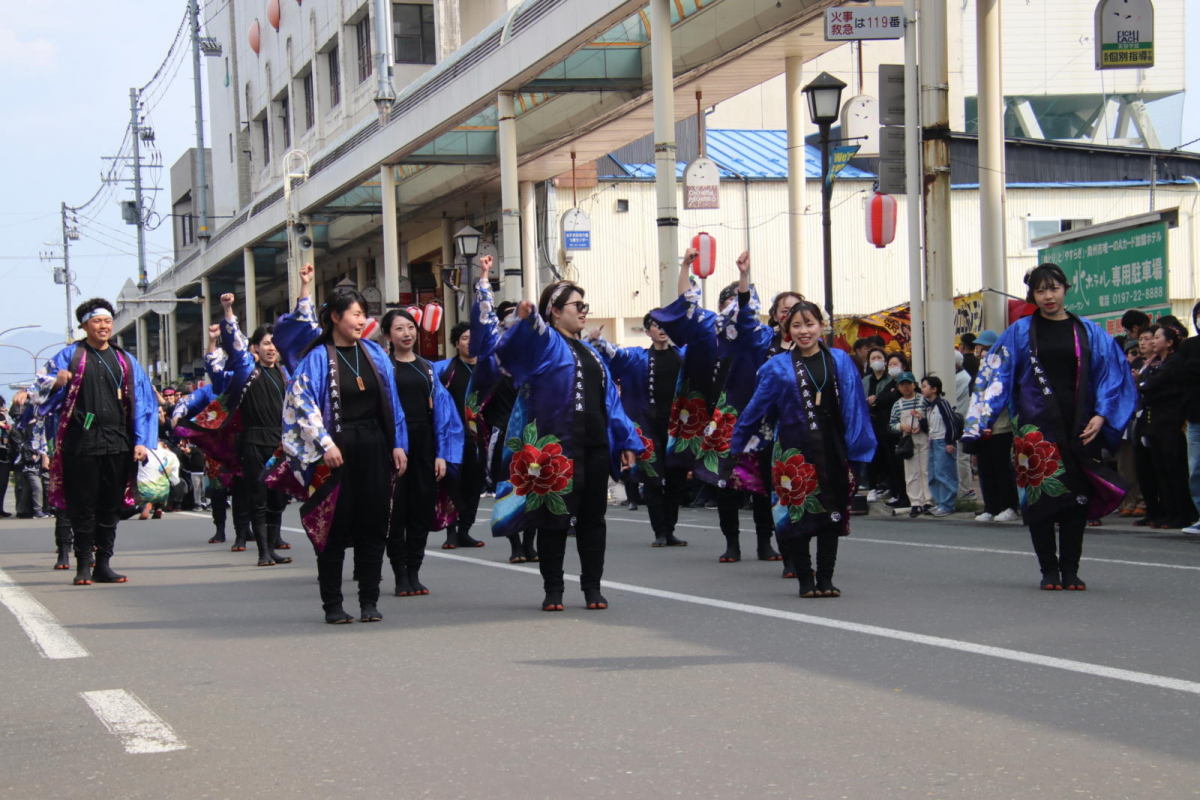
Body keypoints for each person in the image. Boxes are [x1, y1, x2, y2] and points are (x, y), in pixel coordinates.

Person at [963, 264, 1135, 591]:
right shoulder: (1018, 332)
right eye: (1041, 290)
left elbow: (1113, 375)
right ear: (1033, 294)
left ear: (1065, 289)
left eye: (1054, 288)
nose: (1048, 296)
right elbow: (992, 377)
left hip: (1081, 427)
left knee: (1076, 501)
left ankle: (1070, 569)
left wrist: (1102, 415)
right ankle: (1048, 570)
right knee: (1039, 501)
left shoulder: (1090, 331)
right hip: (1034, 431)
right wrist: (978, 423)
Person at [492, 280, 641, 612]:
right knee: (553, 518)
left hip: (596, 444)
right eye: (578, 306)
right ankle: (553, 590)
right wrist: (526, 318)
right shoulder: (546, 344)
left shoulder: (592, 353)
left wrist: (627, 440)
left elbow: (611, 402)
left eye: (585, 306)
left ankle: (592, 588)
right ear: (556, 312)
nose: (584, 312)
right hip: (556, 449)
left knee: (593, 518)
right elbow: (514, 347)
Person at [269, 275, 408, 623]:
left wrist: (398, 445)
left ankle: (369, 601)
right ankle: (332, 604)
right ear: (335, 317)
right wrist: (325, 443)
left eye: (364, 315)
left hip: (374, 445)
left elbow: (393, 404)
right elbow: (300, 402)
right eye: (355, 314)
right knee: (333, 526)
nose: (361, 321)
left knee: (374, 524)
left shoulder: (375, 353)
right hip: (335, 452)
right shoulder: (317, 358)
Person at [728, 301, 875, 597]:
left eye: (809, 324)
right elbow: (755, 410)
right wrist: (734, 448)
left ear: (821, 326)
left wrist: (858, 452)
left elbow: (856, 407)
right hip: (791, 453)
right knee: (794, 516)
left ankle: (826, 579)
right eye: (796, 325)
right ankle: (805, 579)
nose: (804, 331)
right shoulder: (776, 366)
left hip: (833, 449)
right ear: (787, 330)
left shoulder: (841, 360)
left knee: (831, 514)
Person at [651, 250, 785, 567]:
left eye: (741, 304)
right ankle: (732, 542)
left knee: (762, 484)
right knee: (724, 482)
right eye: (729, 304)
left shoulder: (761, 335)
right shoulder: (708, 326)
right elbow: (688, 302)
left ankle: (766, 542)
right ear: (721, 306)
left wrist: (744, 280)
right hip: (720, 417)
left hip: (756, 419)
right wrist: (683, 265)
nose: (733, 311)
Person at [30, 298, 156, 586]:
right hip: (80, 440)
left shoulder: (125, 359)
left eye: (108, 321)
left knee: (110, 505)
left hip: (117, 441)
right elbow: (38, 389)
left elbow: (144, 402)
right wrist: (56, 383)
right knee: (83, 504)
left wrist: (142, 441)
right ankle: (83, 564)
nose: (104, 326)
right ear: (85, 325)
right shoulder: (70, 356)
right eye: (97, 321)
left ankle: (104, 564)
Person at [381, 307, 463, 597]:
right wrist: (393, 444)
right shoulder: (383, 367)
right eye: (399, 328)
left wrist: (442, 453)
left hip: (425, 447)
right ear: (388, 335)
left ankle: (414, 572)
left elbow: (443, 413)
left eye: (411, 328)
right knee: (396, 513)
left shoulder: (428, 368)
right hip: (395, 450)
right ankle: (399, 574)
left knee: (420, 510)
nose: (406, 333)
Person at [591, 311, 689, 548]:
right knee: (654, 480)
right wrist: (598, 342)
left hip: (679, 427)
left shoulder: (685, 355)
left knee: (675, 482)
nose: (661, 329)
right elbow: (616, 354)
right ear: (647, 332)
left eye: (665, 324)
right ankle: (660, 531)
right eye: (655, 325)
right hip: (647, 427)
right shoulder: (638, 357)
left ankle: (670, 529)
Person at [469, 257, 538, 563]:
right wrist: (484, 277)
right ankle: (515, 547)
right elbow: (485, 323)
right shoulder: (494, 358)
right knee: (507, 486)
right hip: (502, 431)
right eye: (508, 320)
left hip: (532, 434)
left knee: (536, 486)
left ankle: (532, 543)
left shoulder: (534, 357)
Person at [1136, 324, 1195, 529]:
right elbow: (1145, 385)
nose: (1152, 341)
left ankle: (1182, 513)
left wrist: (1144, 387)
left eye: (1157, 337)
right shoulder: (1155, 363)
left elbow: (1150, 386)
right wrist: (1144, 386)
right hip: (1155, 420)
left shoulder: (1174, 361)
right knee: (1159, 468)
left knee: (1174, 468)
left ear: (1169, 342)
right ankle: (1168, 512)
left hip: (1170, 420)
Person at [434, 321, 486, 550]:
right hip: (452, 437)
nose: (470, 343)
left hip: (479, 438)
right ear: (456, 343)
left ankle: (465, 530)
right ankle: (451, 531)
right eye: (465, 338)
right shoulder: (444, 369)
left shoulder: (487, 370)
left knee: (474, 486)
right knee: (451, 483)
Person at [970, 331, 1020, 523]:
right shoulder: (982, 367)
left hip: (1001, 425)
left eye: (981, 347)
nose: (979, 350)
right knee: (985, 468)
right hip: (982, 427)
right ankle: (990, 507)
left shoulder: (1004, 366)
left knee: (1001, 468)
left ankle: (1008, 506)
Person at [890, 372, 931, 517]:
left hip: (924, 438)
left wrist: (922, 425)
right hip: (908, 441)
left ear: (914, 385)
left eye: (908, 383)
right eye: (902, 384)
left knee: (926, 469)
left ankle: (928, 500)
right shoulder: (897, 405)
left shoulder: (923, 400)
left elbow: (931, 418)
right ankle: (915, 502)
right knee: (911, 472)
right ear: (898, 387)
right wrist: (901, 427)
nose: (906, 387)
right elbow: (892, 424)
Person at [921, 375, 962, 517]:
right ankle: (939, 502)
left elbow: (950, 422)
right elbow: (928, 427)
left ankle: (947, 504)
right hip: (933, 441)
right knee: (933, 473)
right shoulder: (928, 406)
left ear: (934, 389)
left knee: (944, 473)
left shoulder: (942, 404)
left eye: (925, 386)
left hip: (942, 441)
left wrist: (950, 441)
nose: (922, 389)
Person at [861, 347, 894, 502]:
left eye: (879, 357)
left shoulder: (890, 380)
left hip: (885, 421)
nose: (876, 361)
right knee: (871, 456)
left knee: (887, 455)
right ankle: (872, 487)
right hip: (869, 422)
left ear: (885, 361)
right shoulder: (865, 381)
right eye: (873, 358)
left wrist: (877, 401)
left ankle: (887, 485)